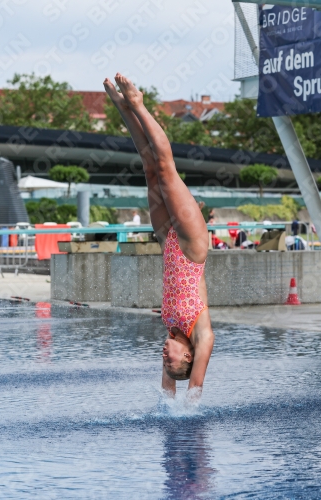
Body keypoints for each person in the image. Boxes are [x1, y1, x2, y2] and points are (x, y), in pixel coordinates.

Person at [104, 74, 214, 397]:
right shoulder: (202, 336)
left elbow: (167, 391)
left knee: (149, 169)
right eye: (171, 360)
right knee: (166, 170)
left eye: (164, 361)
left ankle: (124, 109)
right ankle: (138, 103)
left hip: (167, 240)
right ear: (189, 356)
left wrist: (168, 392)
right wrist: (189, 399)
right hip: (192, 245)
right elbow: (193, 389)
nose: (164, 356)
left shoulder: (170, 327)